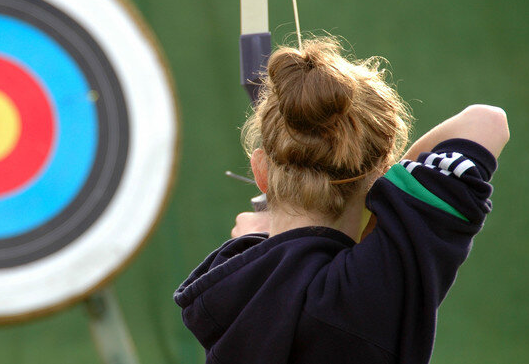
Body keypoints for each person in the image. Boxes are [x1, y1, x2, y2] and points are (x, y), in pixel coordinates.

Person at [174, 36, 509, 364]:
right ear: (379, 181)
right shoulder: (369, 289)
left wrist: (264, 244)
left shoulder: (228, 284)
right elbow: (487, 122)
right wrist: (389, 197)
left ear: (261, 171)